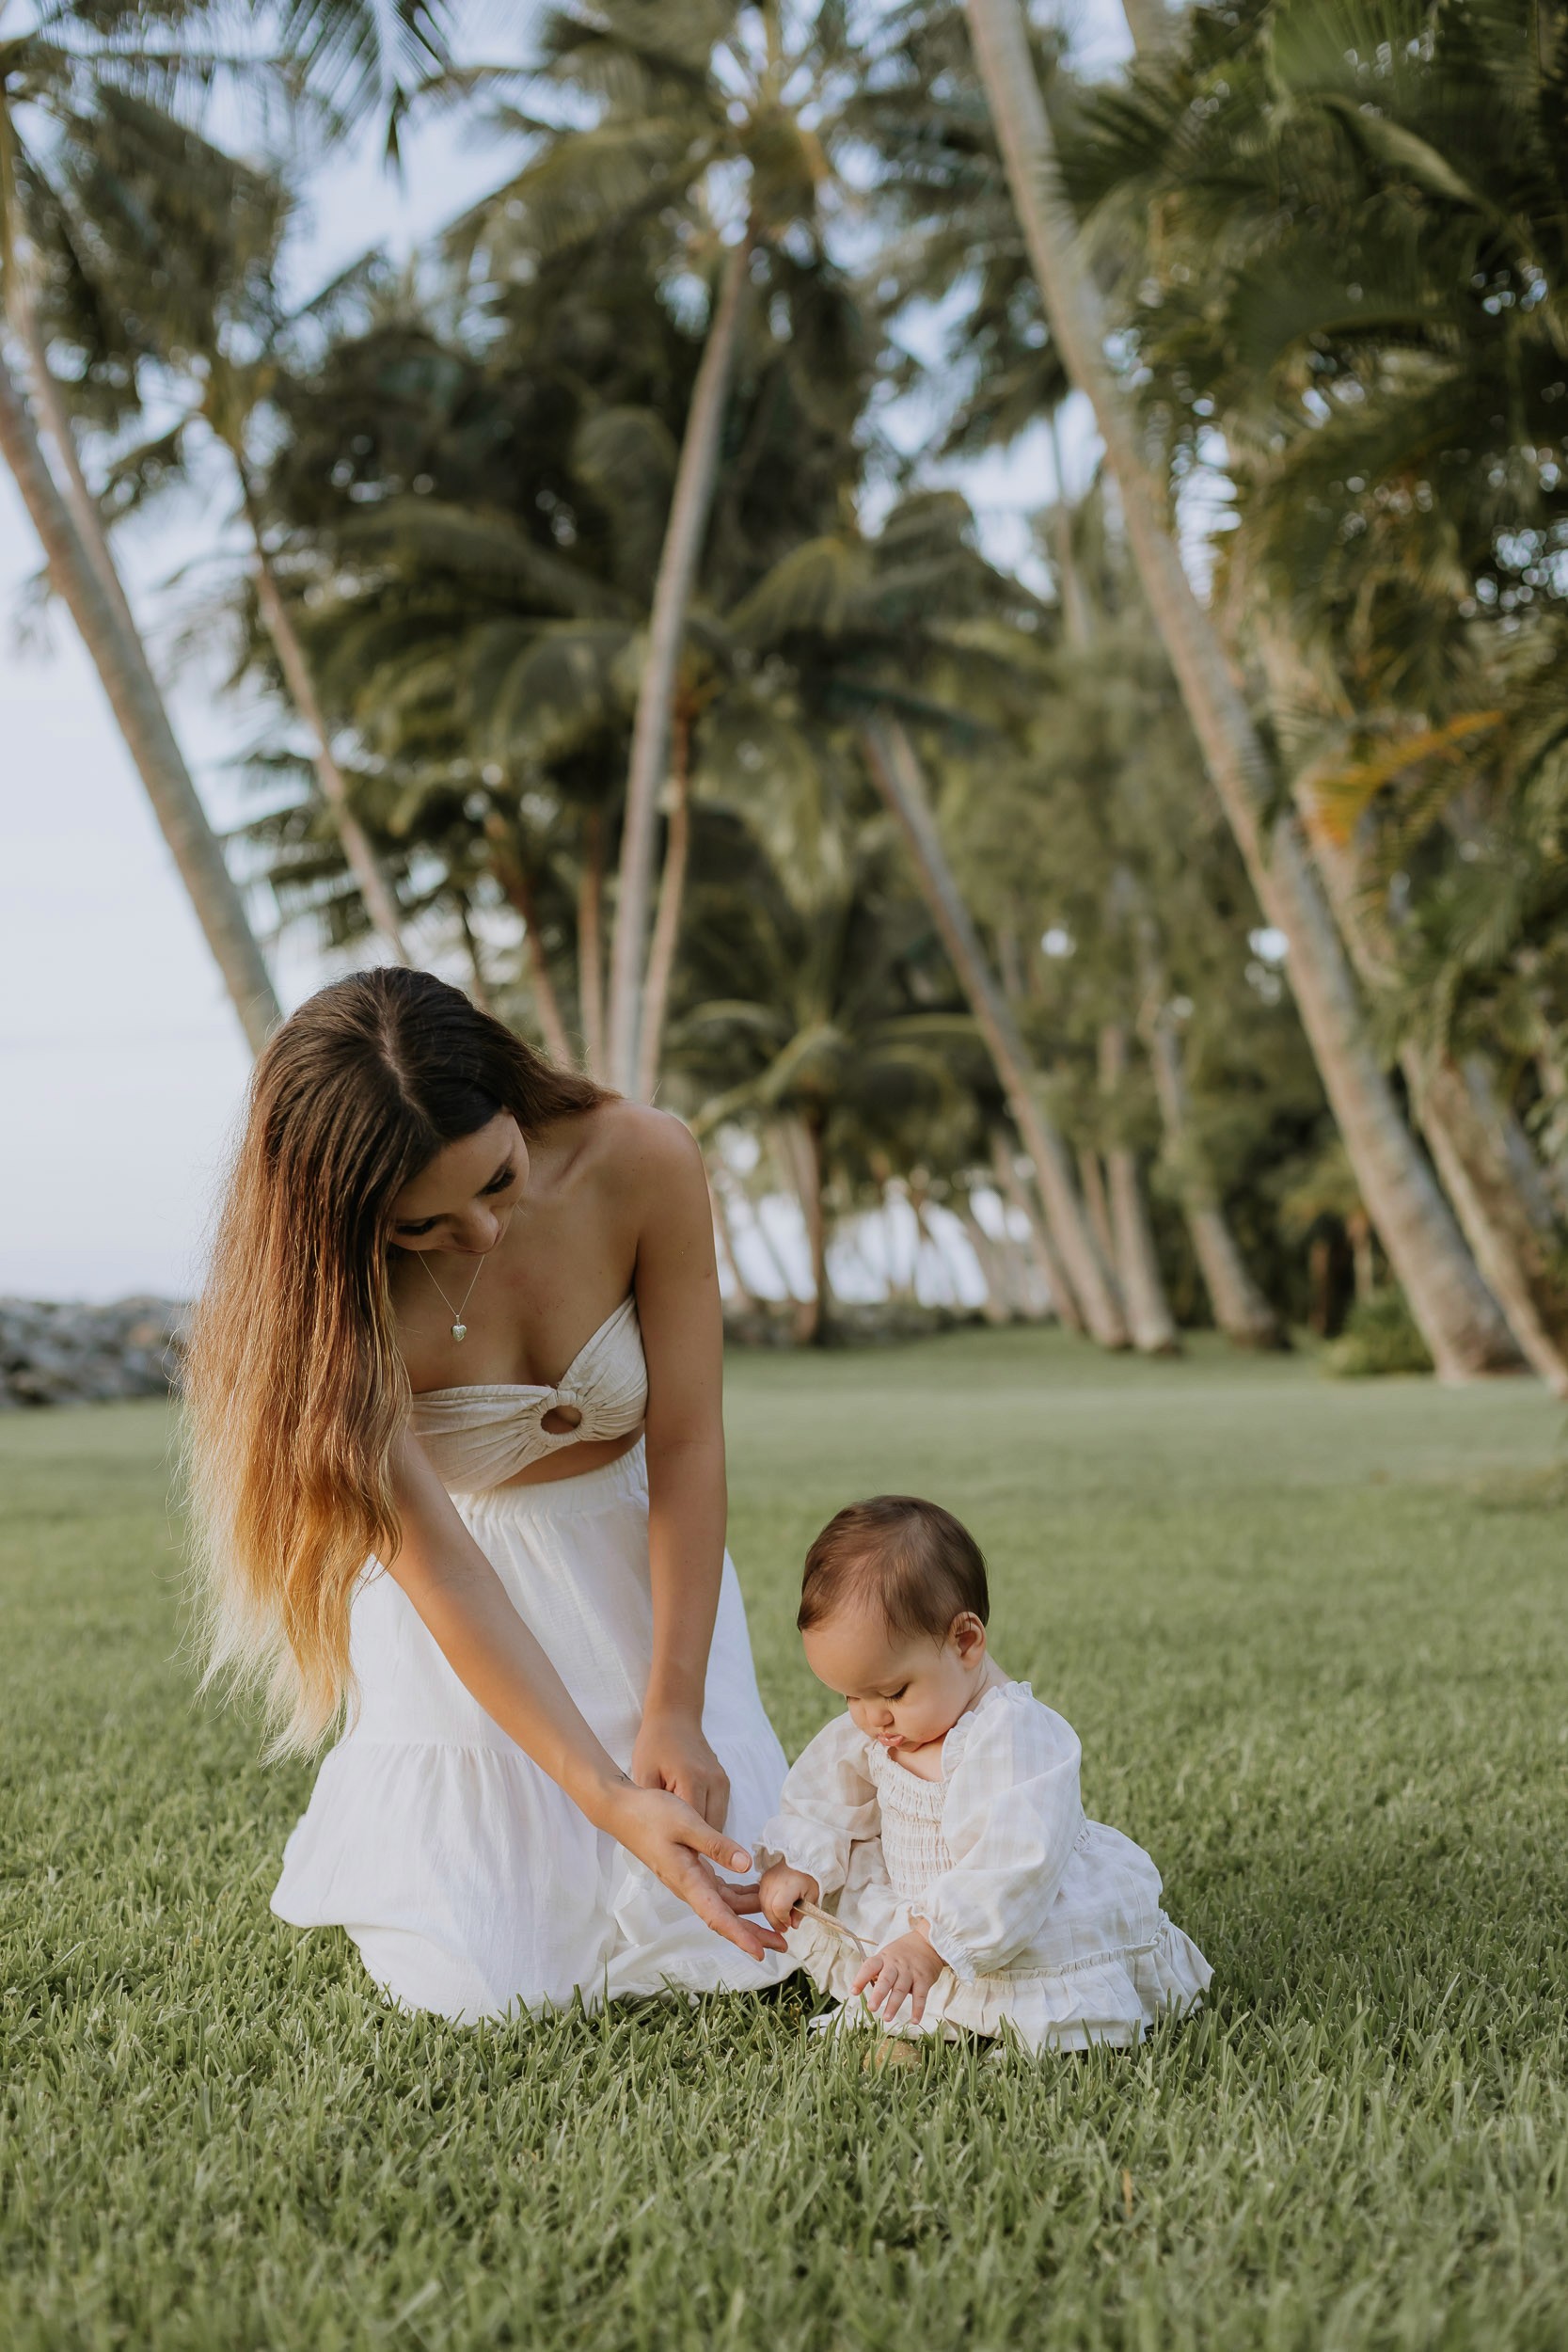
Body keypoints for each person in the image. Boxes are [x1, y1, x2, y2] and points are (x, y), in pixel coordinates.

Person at [185, 966, 791, 2023]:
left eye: (497, 1180)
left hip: (647, 1582)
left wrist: (675, 1705)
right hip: (466, 1630)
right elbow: (446, 1566)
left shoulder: (643, 1157)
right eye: (422, 1225)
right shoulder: (334, 1303)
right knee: (486, 1984)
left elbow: (688, 1442)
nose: (480, 1234)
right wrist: (600, 1795)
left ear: (509, 1094)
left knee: (742, 1941)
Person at [752, 1497, 1211, 2051]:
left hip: (1012, 1913)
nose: (873, 1716)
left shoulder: (1010, 1735)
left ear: (965, 1642)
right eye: (851, 1695)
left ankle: (982, 1998)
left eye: (893, 1691)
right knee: (875, 1921)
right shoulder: (882, 1725)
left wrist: (931, 1943)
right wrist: (802, 1864)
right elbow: (827, 1794)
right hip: (918, 1899)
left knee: (1030, 1971)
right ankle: (922, 1992)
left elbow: (1016, 1860)